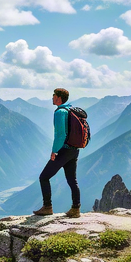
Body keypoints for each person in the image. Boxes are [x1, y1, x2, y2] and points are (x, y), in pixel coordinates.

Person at [33, 87, 81, 218]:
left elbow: (61, 135)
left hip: (63, 150)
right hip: (74, 150)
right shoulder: (71, 110)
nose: (52, 97)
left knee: (44, 177)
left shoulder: (60, 112)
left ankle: (47, 207)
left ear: (59, 98)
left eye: (54, 95)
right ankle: (76, 209)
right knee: (72, 180)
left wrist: (54, 151)